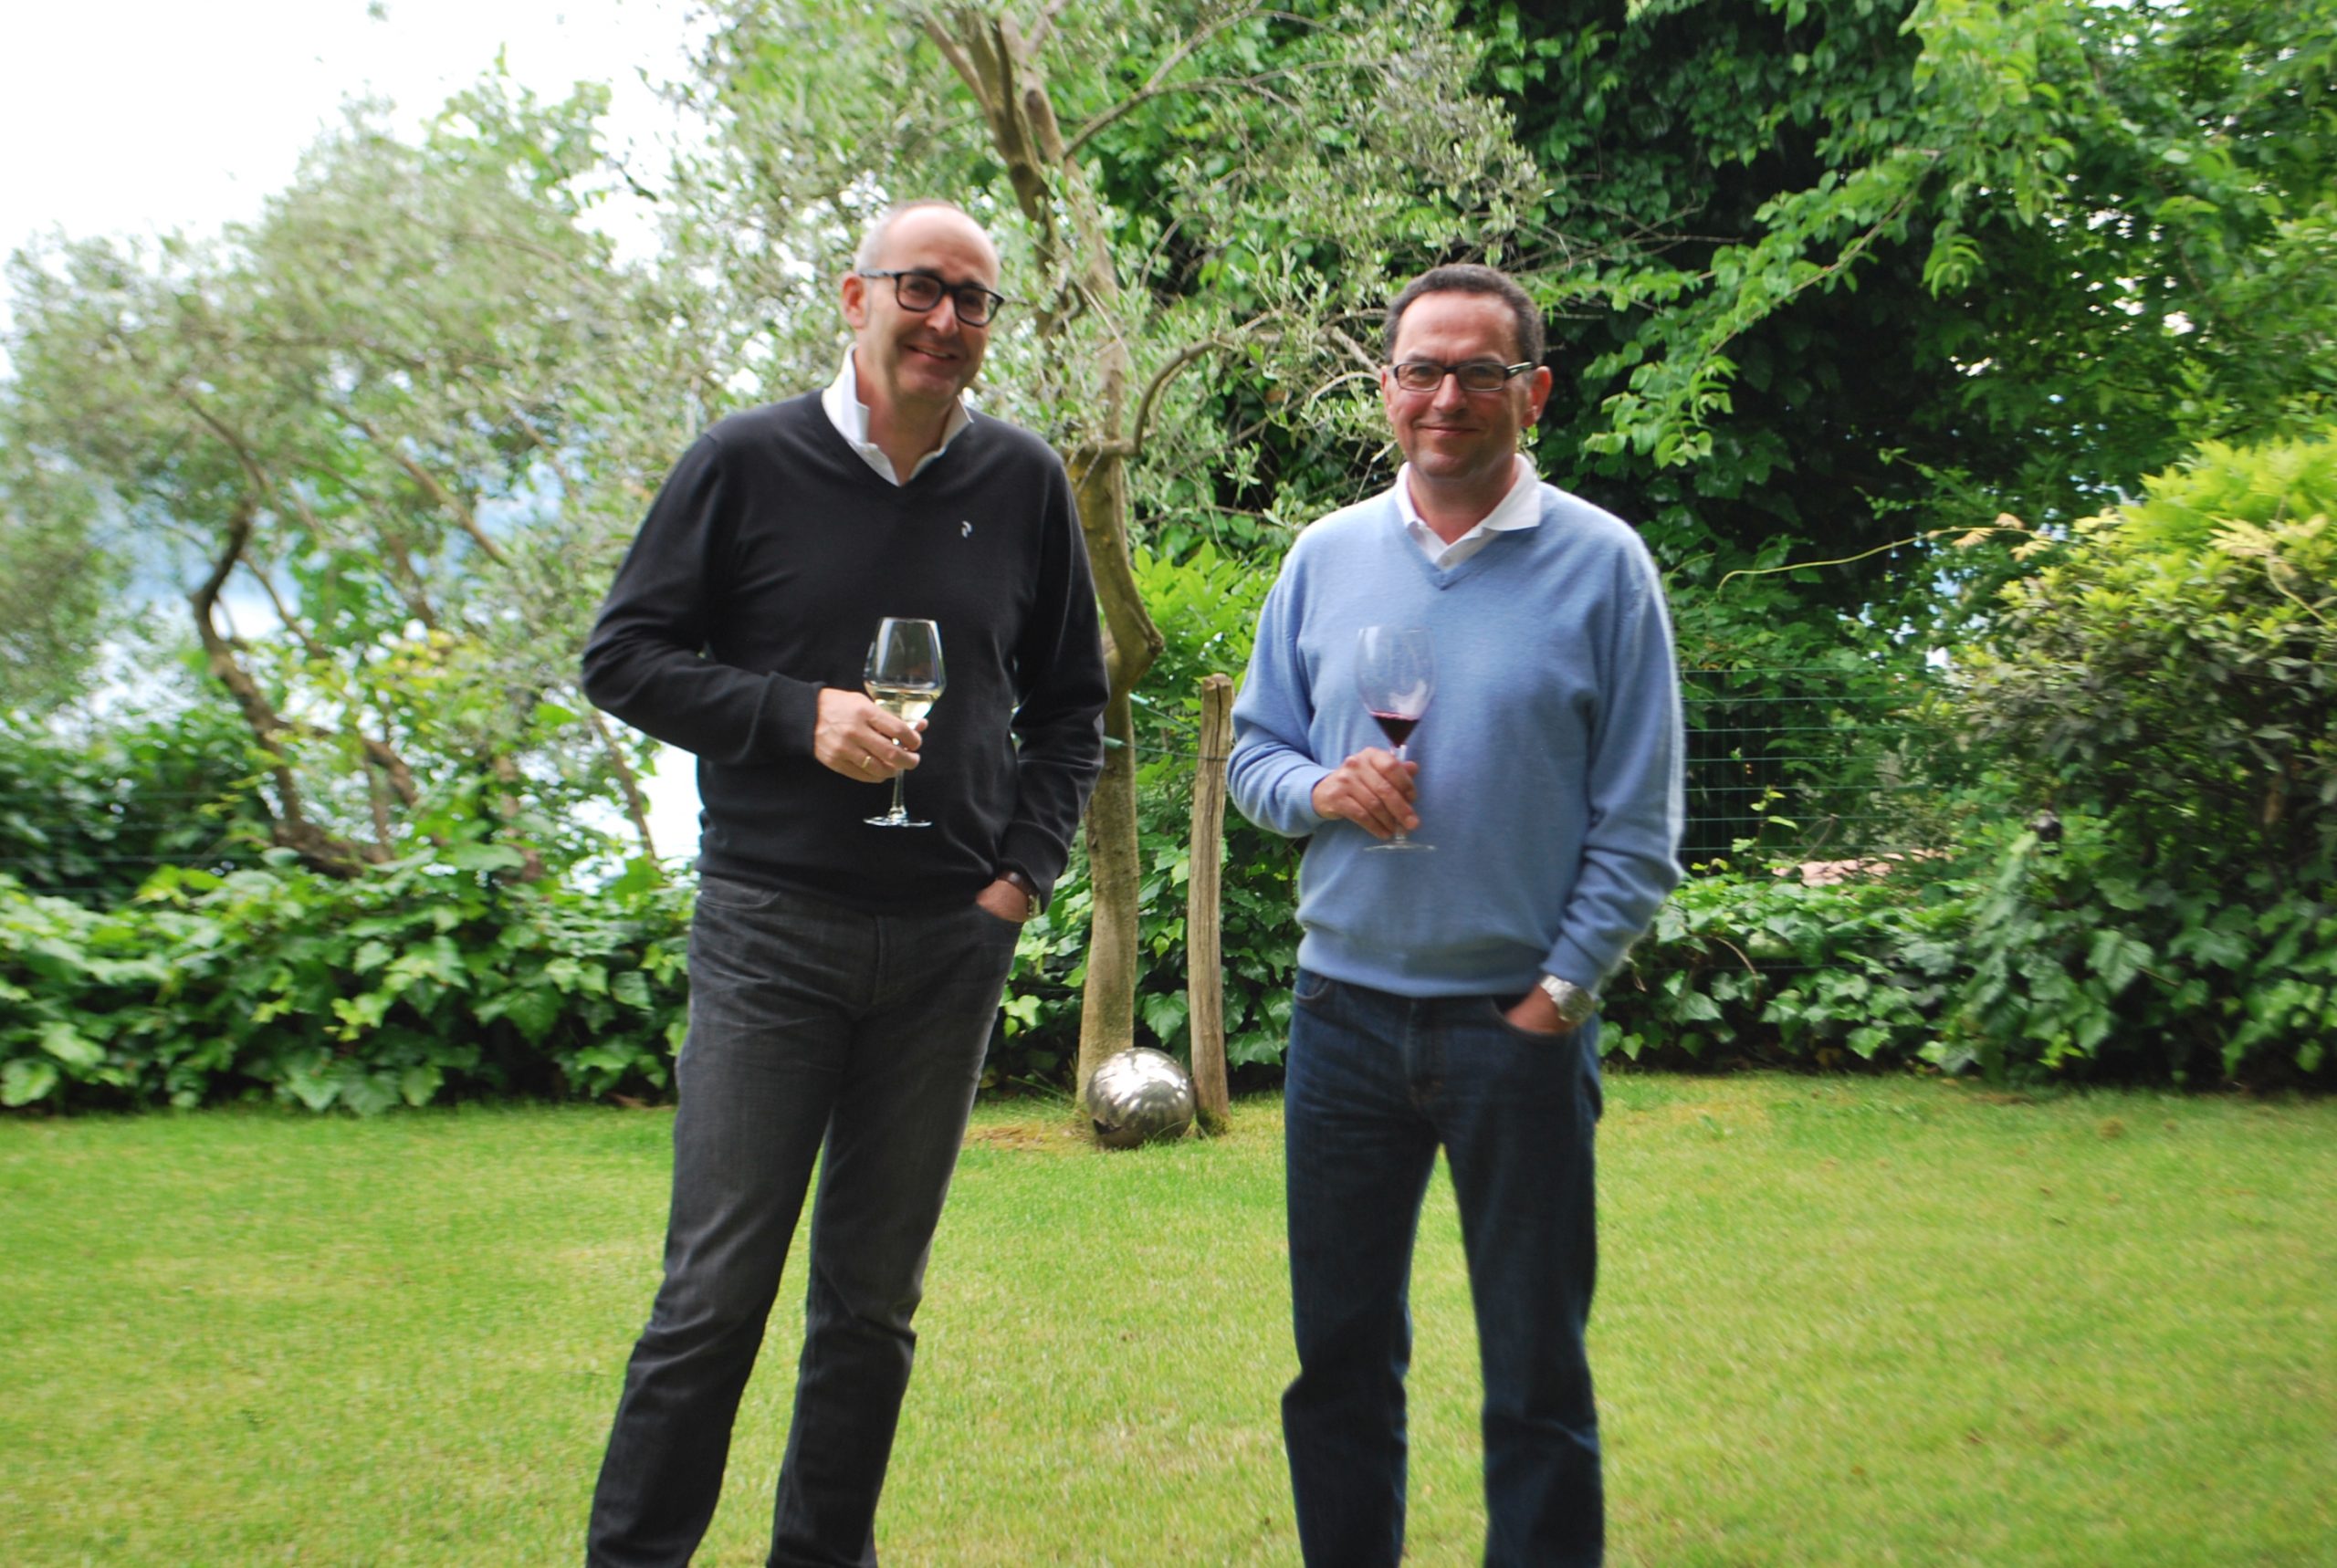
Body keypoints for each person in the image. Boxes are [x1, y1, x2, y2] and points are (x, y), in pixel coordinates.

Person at [579, 199, 1107, 1568]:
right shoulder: (743, 462)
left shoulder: (1024, 482)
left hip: (946, 950)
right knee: (713, 1297)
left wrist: (1019, 881)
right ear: (854, 296)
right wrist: (793, 714)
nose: (948, 320)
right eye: (921, 288)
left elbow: (1072, 709)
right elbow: (623, 657)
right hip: (771, 934)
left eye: (975, 299)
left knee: (872, 1309)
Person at [1228, 263, 1683, 1567]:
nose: (1446, 397)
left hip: (1515, 1027)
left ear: (1533, 392)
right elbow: (1254, 758)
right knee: (1338, 1366)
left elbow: (1640, 825)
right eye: (1421, 370)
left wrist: (1558, 997)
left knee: (1536, 1376)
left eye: (1480, 371)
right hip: (1342, 1020)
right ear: (1386, 388)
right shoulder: (1324, 559)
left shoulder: (1604, 567)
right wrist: (1321, 786)